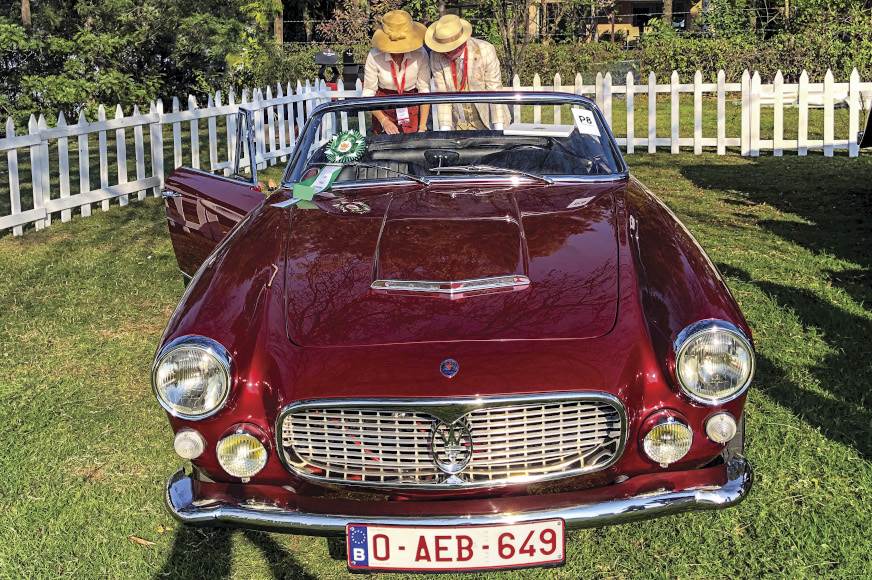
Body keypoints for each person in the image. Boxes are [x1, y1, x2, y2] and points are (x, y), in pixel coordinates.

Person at [425, 14, 507, 131]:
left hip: (487, 121)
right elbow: (442, 95)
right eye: (444, 49)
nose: (446, 53)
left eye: (450, 48)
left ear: (462, 43)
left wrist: (498, 129)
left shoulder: (485, 50)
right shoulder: (436, 56)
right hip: (457, 124)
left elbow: (494, 89)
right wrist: (445, 130)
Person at [361, 10, 431, 135]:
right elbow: (368, 93)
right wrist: (384, 120)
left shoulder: (420, 54)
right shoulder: (374, 56)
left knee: (412, 145)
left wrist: (422, 127)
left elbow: (424, 90)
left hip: (411, 105)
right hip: (383, 106)